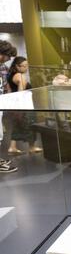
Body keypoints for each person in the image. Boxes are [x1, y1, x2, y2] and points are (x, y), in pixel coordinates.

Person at [7, 56, 42, 155]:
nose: (26, 68)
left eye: (27, 65)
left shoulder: (11, 75)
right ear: (17, 66)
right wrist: (22, 104)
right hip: (24, 104)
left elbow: (10, 90)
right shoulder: (20, 76)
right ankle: (32, 147)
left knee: (17, 125)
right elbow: (21, 91)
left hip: (16, 104)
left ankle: (12, 147)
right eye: (24, 66)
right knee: (30, 124)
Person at [0, 40, 18, 173]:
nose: (8, 60)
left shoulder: (2, 67)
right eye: (7, 56)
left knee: (0, 134)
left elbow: (5, 85)